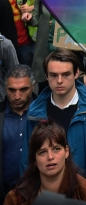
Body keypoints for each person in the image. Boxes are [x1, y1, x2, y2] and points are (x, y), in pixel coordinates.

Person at [21, 49, 86, 192]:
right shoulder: (35, 111)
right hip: (47, 191)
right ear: (46, 76)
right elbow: (28, 155)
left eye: (66, 74)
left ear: (76, 73)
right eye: (53, 75)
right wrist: (29, 190)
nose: (59, 81)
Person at [5, 121, 86, 205]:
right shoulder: (16, 199)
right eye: (42, 152)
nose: (50, 157)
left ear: (66, 152)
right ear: (34, 159)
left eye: (56, 149)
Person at [0, 65, 35, 199]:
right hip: (5, 193)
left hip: (38, 192)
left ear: (33, 86)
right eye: (12, 90)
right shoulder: (1, 116)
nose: (17, 96)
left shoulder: (45, 113)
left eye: (23, 89)